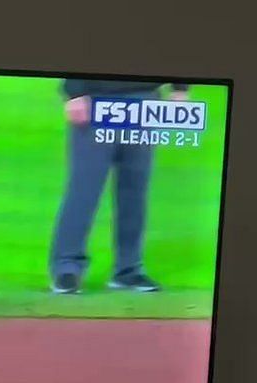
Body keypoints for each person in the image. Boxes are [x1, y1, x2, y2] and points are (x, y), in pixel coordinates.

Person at [49, 79, 188, 294]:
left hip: (145, 98)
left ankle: (128, 270)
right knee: (84, 189)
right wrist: (75, 92)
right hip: (96, 99)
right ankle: (67, 267)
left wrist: (180, 88)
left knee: (135, 190)